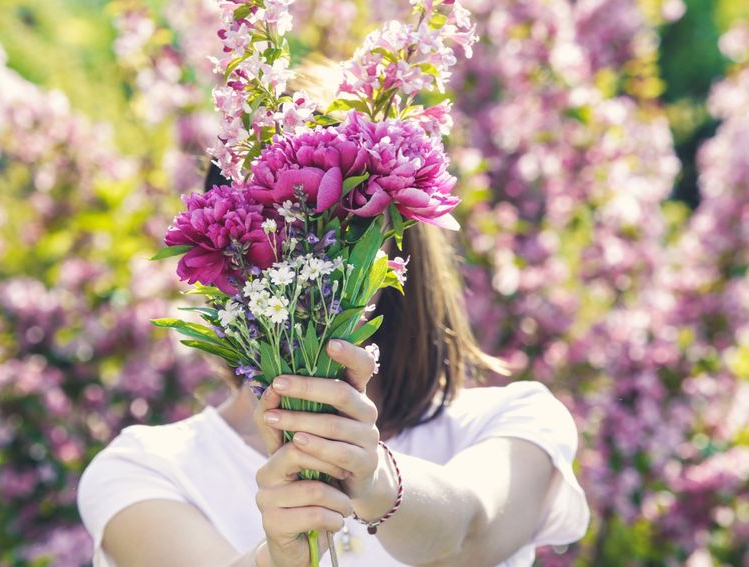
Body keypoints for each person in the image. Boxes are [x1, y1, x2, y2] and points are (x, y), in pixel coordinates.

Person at [77, 165, 591, 567]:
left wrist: (373, 481)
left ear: (389, 244)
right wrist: (277, 559)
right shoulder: (146, 468)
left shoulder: (512, 422)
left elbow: (468, 530)